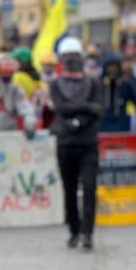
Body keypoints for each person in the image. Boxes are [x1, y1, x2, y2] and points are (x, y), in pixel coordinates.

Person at [48, 38, 104, 251]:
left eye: (75, 57)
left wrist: (80, 118)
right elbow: (61, 108)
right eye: (68, 57)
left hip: (88, 142)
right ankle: (74, 230)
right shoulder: (55, 84)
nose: (72, 61)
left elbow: (98, 109)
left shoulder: (93, 82)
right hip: (66, 142)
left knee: (89, 188)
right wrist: (85, 108)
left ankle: (88, 233)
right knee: (69, 189)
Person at [99, 53, 136, 134]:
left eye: (115, 68)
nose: (112, 71)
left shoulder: (127, 85)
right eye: (109, 68)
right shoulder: (99, 85)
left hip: (123, 127)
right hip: (103, 127)